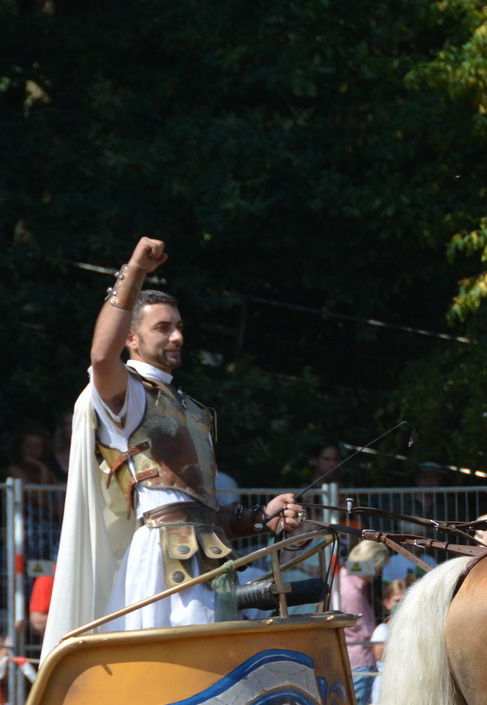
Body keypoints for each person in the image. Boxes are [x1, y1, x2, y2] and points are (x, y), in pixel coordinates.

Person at [42, 237, 303, 660]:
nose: (177, 336)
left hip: (207, 559)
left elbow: (198, 511)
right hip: (161, 565)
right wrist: (134, 271)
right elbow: (101, 358)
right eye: (163, 327)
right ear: (132, 337)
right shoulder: (128, 395)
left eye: (179, 326)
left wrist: (259, 517)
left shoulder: (191, 410)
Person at [335, 540, 388, 705]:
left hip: (355, 660)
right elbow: (366, 633)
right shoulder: (352, 591)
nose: (378, 574)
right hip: (359, 661)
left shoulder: (347, 579)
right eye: (378, 567)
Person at [6, 421, 64, 560]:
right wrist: (42, 470)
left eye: (38, 446)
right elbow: (38, 496)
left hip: (50, 536)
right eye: (28, 446)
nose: (33, 451)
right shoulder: (14, 471)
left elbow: (60, 509)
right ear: (20, 447)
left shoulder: (50, 474)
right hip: (25, 535)